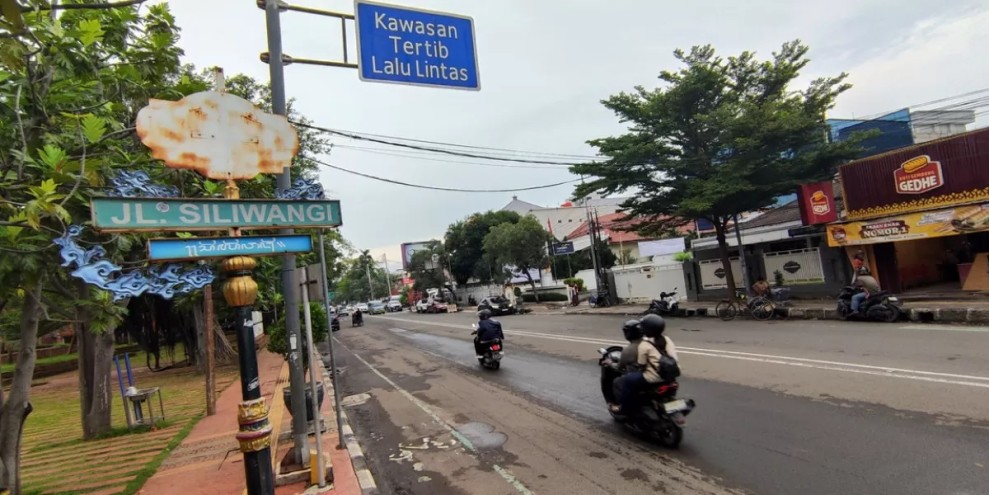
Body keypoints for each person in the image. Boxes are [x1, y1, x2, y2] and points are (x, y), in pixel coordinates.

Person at [614, 314, 678, 417]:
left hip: (655, 377)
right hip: (671, 374)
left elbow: (642, 366)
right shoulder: (667, 339)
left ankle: (624, 408)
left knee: (628, 380)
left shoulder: (644, 345)